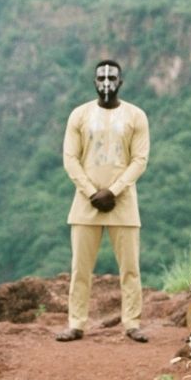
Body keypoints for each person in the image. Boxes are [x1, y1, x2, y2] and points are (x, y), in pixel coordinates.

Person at [57, 60, 151, 343]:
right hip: (86, 204)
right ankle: (76, 323)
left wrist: (114, 190)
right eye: (102, 77)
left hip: (123, 204)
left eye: (112, 77)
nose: (107, 82)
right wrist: (90, 192)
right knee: (80, 268)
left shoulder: (136, 116)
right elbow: (70, 158)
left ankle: (132, 322)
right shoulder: (80, 115)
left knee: (130, 267)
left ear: (121, 81)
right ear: (94, 81)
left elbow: (140, 159)